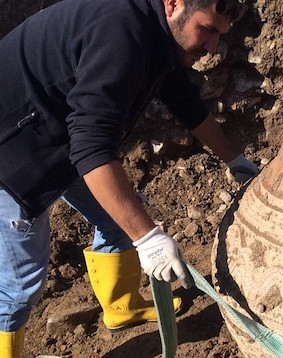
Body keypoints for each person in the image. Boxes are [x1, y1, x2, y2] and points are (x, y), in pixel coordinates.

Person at [0, 0, 260, 355]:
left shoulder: (155, 32)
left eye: (221, 34)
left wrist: (236, 160)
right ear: (173, 4)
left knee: (121, 214)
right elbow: (91, 147)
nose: (213, 47)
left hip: (52, 134)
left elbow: (183, 99)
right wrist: (148, 238)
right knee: (20, 282)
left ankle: (120, 308)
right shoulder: (121, 35)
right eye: (209, 29)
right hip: (11, 152)